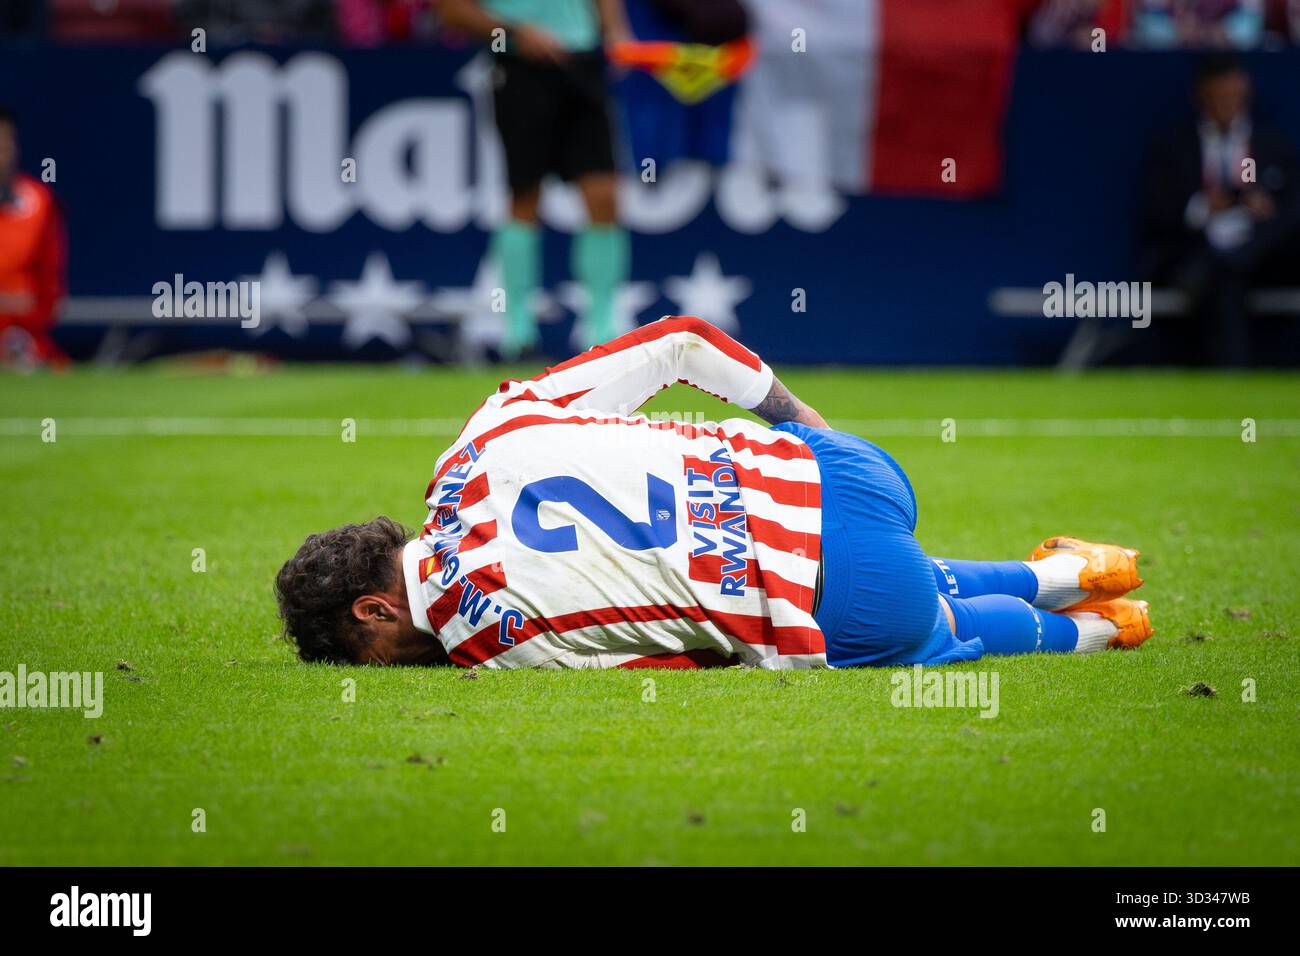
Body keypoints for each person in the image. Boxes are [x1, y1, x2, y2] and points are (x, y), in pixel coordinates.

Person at [276, 316, 1153, 669]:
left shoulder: (486, 648)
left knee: (939, 634)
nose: (393, 674)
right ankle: (1081, 568)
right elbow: (682, 339)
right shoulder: (480, 438)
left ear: (373, 612)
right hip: (840, 467)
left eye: (370, 664)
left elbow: (672, 663)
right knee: (892, 566)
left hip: (845, 597)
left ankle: (1097, 631)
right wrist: (805, 425)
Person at [440, 0, 632, 356]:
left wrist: (616, 30)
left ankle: (604, 333)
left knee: (604, 195)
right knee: (524, 195)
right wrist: (513, 33)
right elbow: (450, 11)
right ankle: (519, 334)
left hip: (582, 63)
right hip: (518, 70)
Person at [1139, 55, 1300, 366]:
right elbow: (1156, 214)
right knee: (1222, 279)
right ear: (1201, 97)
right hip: (1200, 255)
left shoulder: (1272, 145)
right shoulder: (1173, 149)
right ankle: (1233, 379)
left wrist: (1264, 209)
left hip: (1262, 257)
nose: (1228, 105)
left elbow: (1293, 209)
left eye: (1235, 97)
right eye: (1220, 98)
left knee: (1227, 268)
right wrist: (1202, 207)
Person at [0, 105, 67, 369]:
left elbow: (50, 286)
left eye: (7, 143)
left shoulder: (39, 202)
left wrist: (21, 330)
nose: (3, 153)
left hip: (25, 342)